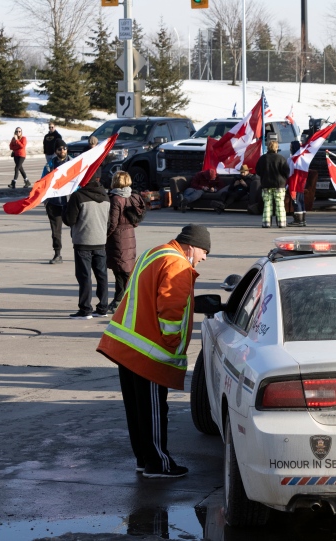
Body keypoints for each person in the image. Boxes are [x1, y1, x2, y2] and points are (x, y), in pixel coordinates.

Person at [97, 224, 210, 478]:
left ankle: (144, 458)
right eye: (204, 252)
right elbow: (171, 308)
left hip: (127, 346)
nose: (203, 258)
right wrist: (170, 344)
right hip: (148, 351)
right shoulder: (178, 264)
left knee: (137, 410)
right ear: (191, 246)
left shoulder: (154, 253)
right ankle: (159, 463)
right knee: (153, 410)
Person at [64, 171, 111, 319]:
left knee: (84, 277)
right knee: (102, 276)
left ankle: (85, 309)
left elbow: (69, 220)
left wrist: (66, 207)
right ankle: (103, 308)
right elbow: (109, 222)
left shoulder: (78, 196)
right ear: (98, 179)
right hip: (100, 242)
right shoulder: (106, 197)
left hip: (83, 241)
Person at [106, 171, 147, 313]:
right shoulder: (134, 196)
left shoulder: (116, 199)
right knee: (125, 270)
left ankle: (119, 301)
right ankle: (121, 300)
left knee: (120, 271)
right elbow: (137, 216)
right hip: (130, 235)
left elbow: (113, 222)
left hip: (118, 238)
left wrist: (104, 236)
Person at [43, 140, 71, 264]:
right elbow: (43, 183)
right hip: (54, 203)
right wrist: (45, 201)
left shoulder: (73, 164)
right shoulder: (49, 166)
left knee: (77, 229)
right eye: (59, 149)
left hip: (70, 202)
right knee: (56, 231)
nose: (62, 151)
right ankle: (57, 254)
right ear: (55, 151)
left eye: (64, 148)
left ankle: (80, 252)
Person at [256, 140, 290, 228]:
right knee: (280, 204)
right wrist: (283, 178)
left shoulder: (262, 158)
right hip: (279, 184)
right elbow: (287, 172)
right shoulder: (281, 158)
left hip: (266, 184)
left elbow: (258, 171)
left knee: (267, 204)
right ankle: (281, 223)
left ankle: (266, 223)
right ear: (276, 147)